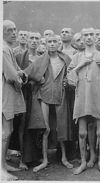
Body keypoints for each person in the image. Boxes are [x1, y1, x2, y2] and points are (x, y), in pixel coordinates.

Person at [24, 34, 73, 172]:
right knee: (46, 129)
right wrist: (38, 79)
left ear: (59, 43)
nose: (52, 44)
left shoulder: (65, 59)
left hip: (60, 95)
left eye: (54, 41)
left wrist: (67, 81)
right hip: (44, 95)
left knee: (60, 127)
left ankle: (64, 158)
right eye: (49, 42)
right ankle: (45, 160)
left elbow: (73, 73)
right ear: (46, 44)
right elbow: (27, 73)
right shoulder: (41, 60)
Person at [67, 28, 100, 175]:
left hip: (98, 96)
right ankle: (84, 162)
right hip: (82, 98)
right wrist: (81, 64)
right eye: (86, 35)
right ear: (82, 38)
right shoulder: (77, 57)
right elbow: (70, 79)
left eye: (92, 34)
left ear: (95, 37)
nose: (89, 37)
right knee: (82, 133)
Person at [2, 20, 27, 181]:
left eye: (15, 29)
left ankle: (3, 163)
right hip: (5, 93)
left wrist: (20, 75)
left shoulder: (8, 49)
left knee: (8, 130)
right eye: (9, 30)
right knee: (5, 132)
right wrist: (20, 78)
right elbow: (12, 76)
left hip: (9, 93)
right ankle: (0, 170)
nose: (14, 33)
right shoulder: (3, 49)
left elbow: (18, 71)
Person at [15, 32, 42, 170]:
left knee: (36, 126)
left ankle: (35, 156)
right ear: (27, 40)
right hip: (23, 94)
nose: (34, 41)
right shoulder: (20, 57)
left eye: (37, 38)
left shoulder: (42, 58)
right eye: (31, 38)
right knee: (22, 125)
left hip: (37, 94)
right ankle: (23, 159)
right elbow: (17, 75)